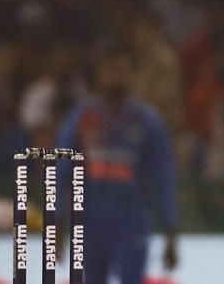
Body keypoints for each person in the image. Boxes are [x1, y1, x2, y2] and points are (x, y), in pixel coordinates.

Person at [55, 47, 179, 284]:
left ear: (131, 74)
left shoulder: (147, 122)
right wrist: (56, 223)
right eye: (110, 70)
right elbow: (61, 172)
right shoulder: (82, 118)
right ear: (100, 75)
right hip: (90, 224)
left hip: (131, 224)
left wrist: (170, 229)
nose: (115, 76)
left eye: (121, 70)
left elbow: (164, 177)